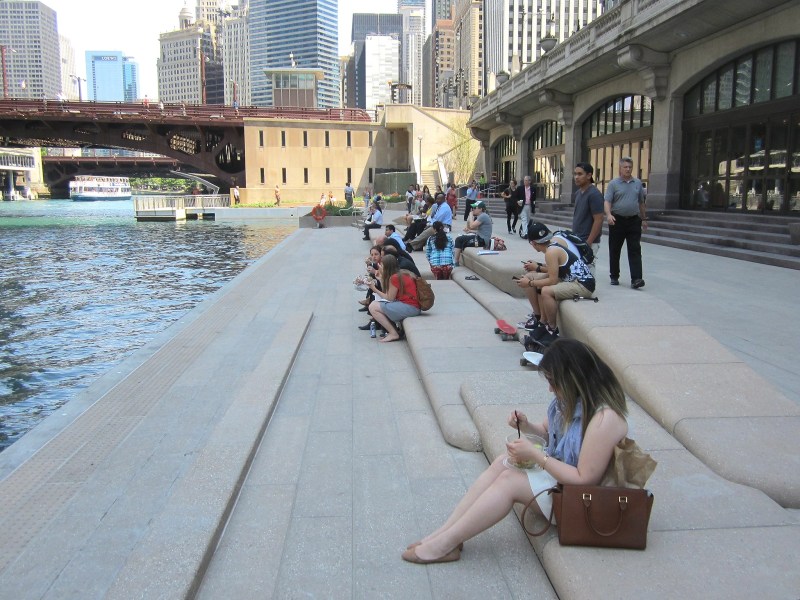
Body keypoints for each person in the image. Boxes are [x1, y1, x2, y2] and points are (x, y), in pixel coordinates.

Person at [401, 338, 628, 564]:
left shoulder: (605, 419)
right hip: (566, 482)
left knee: (509, 480)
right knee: (504, 462)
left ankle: (444, 545)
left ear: (573, 379)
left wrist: (536, 455)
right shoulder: (573, 401)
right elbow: (549, 435)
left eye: (553, 381)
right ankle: (444, 534)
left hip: (586, 503)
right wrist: (527, 425)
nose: (550, 388)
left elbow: (584, 480)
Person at [516, 222, 595, 346]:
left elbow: (552, 280)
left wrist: (530, 283)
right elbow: (554, 271)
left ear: (533, 243)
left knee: (546, 290)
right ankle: (542, 322)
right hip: (576, 280)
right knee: (541, 281)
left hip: (583, 284)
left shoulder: (551, 252)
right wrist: (537, 271)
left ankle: (552, 329)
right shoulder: (553, 246)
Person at [604, 157, 647, 289]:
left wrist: (644, 219)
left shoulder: (637, 183)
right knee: (615, 249)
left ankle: (636, 279)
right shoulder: (613, 184)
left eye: (630, 167)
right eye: (625, 167)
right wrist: (609, 214)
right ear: (620, 168)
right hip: (618, 220)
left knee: (635, 249)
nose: (628, 169)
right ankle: (614, 276)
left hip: (634, 220)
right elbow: (607, 201)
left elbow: (641, 202)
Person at [368, 255, 421, 343]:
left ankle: (393, 333)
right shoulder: (401, 273)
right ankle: (394, 330)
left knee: (373, 307)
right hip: (412, 306)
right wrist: (381, 279)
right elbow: (388, 293)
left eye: (381, 265)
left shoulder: (394, 278)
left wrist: (373, 288)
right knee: (378, 304)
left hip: (410, 307)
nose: (379, 267)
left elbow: (389, 298)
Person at [571, 162, 604, 256]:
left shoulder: (594, 194)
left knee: (588, 270)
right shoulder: (578, 193)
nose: (576, 177)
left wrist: (588, 243)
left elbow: (599, 220)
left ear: (589, 175)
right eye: (575, 174)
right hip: (577, 239)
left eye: (580, 174)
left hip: (588, 242)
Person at [453, 200, 493, 267]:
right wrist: (470, 231)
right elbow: (481, 231)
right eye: (473, 208)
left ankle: (456, 262)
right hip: (481, 238)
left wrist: (471, 215)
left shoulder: (483, 216)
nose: (473, 209)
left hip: (482, 240)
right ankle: (456, 260)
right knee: (462, 239)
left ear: (480, 209)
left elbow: (471, 226)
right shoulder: (482, 216)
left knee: (459, 239)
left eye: (475, 208)